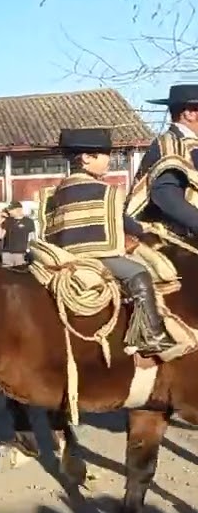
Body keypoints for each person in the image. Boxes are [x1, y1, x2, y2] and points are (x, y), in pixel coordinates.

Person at [47, 126, 173, 355]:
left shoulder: (56, 192)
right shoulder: (105, 191)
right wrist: (148, 229)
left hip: (61, 256)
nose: (109, 160)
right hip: (96, 256)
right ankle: (151, 336)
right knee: (138, 272)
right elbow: (126, 224)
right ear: (86, 158)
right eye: (105, 155)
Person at [126, 83, 198, 240]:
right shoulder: (171, 145)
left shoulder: (188, 144)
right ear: (190, 113)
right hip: (172, 238)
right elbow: (165, 194)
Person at [0, 201, 34, 267]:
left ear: (18, 210)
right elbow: (1, 236)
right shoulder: (8, 220)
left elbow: (32, 237)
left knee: (19, 274)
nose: (9, 212)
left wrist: (30, 250)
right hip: (7, 253)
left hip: (21, 253)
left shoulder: (29, 221)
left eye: (11, 210)